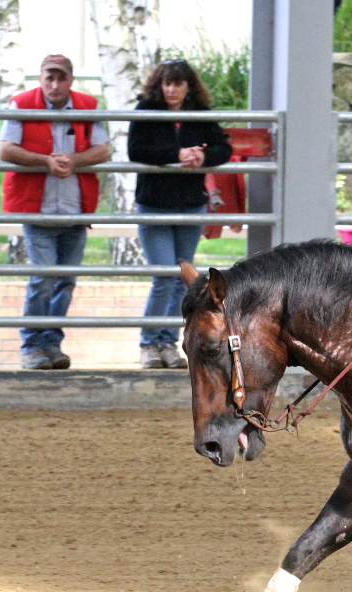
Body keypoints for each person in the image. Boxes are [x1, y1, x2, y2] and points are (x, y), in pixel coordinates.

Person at [0, 54, 110, 370]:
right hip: (38, 208)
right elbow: (5, 149)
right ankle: (32, 345)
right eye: (49, 77)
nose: (55, 84)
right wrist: (45, 160)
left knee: (65, 281)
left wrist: (74, 160)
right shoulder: (21, 104)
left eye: (61, 77)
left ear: (71, 80)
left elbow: (103, 149)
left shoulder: (88, 105)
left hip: (75, 209)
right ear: (40, 78)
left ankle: (51, 344)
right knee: (43, 278)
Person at [128, 59, 232, 369]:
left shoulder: (200, 114)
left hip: (190, 204)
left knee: (182, 280)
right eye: (167, 83)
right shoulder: (145, 111)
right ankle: (150, 344)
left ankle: (168, 343)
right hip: (154, 204)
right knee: (164, 274)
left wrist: (203, 155)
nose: (172, 89)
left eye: (178, 83)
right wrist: (177, 155)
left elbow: (223, 148)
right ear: (159, 86)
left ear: (189, 87)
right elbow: (136, 150)